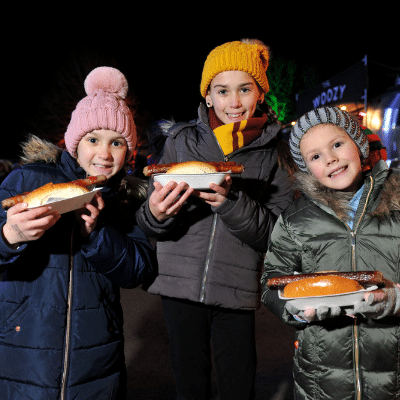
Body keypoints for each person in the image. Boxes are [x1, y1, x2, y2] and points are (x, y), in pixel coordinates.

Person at [136, 39, 294, 400]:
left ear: (259, 95)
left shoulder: (276, 154)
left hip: (235, 289)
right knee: (189, 385)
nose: (233, 102)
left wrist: (231, 201)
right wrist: (156, 214)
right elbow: (149, 219)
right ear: (208, 96)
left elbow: (277, 236)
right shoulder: (180, 141)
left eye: (244, 89)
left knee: (239, 387)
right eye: (222, 91)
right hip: (179, 286)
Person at [0, 66, 156, 399]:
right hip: (23, 353)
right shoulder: (28, 180)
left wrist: (96, 235)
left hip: (97, 360)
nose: (104, 153)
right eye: (93, 139)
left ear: (128, 151)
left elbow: (139, 269)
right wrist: (9, 235)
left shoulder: (126, 198)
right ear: (74, 144)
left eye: (117, 142)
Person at [261, 106, 400, 400]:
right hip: (321, 379)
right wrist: (293, 308)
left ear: (359, 145)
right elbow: (271, 280)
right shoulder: (295, 219)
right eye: (315, 156)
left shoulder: (398, 203)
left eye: (337, 144)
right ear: (307, 167)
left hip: (393, 375)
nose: (331, 159)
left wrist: (395, 299)